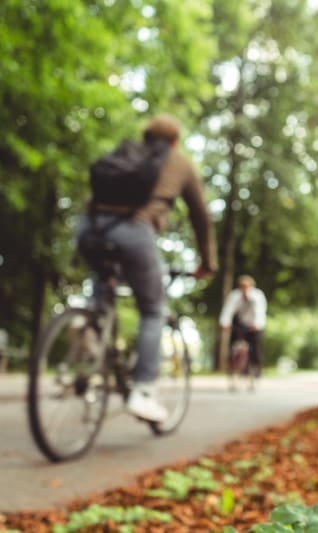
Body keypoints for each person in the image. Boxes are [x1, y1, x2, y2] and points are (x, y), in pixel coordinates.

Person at [76, 114, 216, 422]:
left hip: (89, 227)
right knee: (153, 311)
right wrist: (208, 262)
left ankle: (89, 329)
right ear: (174, 141)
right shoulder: (179, 162)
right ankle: (144, 392)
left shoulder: (126, 152)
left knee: (104, 283)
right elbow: (201, 216)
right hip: (134, 231)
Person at [219, 275, 267, 378]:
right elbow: (228, 310)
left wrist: (257, 324)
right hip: (240, 322)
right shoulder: (234, 296)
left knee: (256, 345)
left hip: (254, 323)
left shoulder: (257, 295)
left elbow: (260, 311)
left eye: (246, 286)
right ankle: (232, 362)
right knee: (233, 340)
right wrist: (225, 323)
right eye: (242, 286)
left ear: (251, 286)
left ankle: (256, 366)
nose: (244, 289)